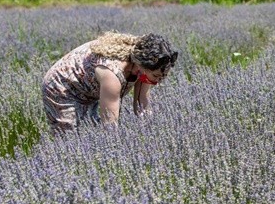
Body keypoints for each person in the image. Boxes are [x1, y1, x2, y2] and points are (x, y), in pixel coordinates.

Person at [42, 32, 178, 133]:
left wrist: (150, 132)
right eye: (156, 76)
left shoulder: (144, 65)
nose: (159, 81)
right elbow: (110, 124)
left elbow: (142, 105)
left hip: (88, 88)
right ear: (143, 66)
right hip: (62, 87)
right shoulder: (112, 74)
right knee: (69, 138)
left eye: (163, 76)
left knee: (89, 131)